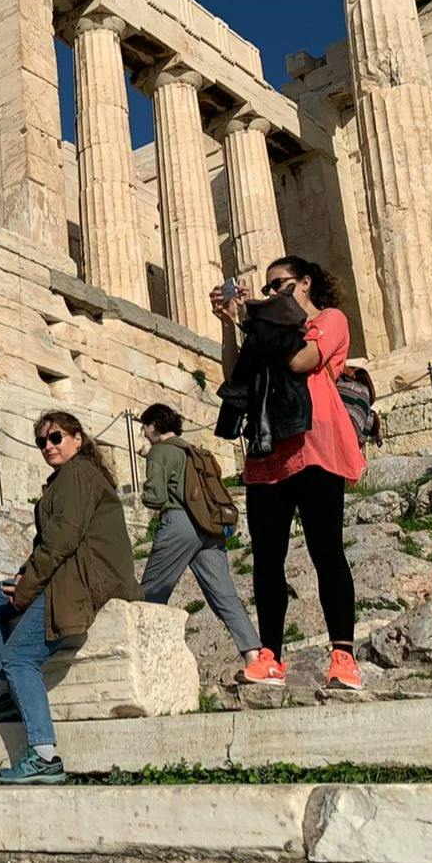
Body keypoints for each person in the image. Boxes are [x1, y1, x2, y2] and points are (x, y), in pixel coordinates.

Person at [0, 411, 142, 784]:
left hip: (83, 579)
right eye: (41, 441)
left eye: (55, 437)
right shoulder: (65, 479)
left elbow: (63, 540)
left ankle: (43, 755)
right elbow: (51, 542)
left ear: (77, 437)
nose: (48, 446)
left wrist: (26, 589)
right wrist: (25, 575)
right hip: (65, 571)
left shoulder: (78, 474)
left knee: (20, 656)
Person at [211, 256, 367, 691]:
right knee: (266, 560)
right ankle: (271, 656)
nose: (273, 293)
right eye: (268, 288)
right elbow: (233, 372)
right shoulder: (265, 329)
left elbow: (303, 361)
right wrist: (233, 323)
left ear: (306, 282)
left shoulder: (329, 319)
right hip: (268, 449)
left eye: (280, 285)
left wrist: (255, 319)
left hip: (316, 444)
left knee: (326, 551)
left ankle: (343, 656)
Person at [137, 403, 261, 669]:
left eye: (144, 426)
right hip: (209, 525)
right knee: (224, 596)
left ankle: (150, 663)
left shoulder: (159, 452)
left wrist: (144, 491)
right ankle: (254, 657)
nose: (143, 432)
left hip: (180, 523)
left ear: (154, 426)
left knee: (151, 592)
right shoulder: (193, 450)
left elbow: (156, 497)